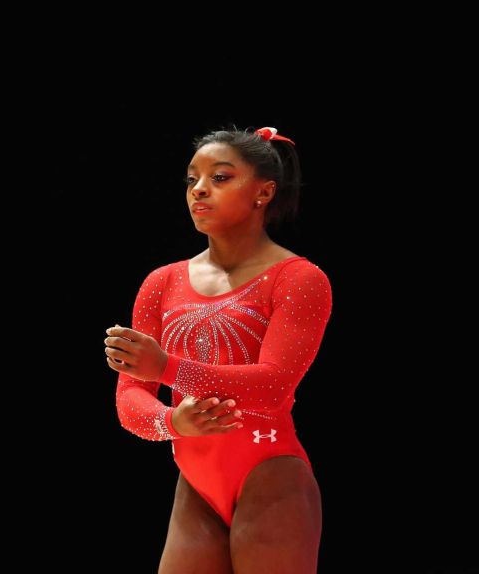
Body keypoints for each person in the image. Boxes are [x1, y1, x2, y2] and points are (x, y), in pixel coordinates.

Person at [105, 126, 332, 574]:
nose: (199, 190)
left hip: (270, 476)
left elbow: (271, 385)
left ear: (264, 192)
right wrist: (171, 422)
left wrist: (167, 367)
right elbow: (129, 399)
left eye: (221, 177)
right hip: (195, 484)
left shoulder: (299, 279)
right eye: (192, 180)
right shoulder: (162, 282)